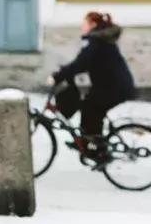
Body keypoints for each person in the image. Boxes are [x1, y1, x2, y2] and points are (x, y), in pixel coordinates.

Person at [48, 11, 137, 165]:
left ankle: (96, 149)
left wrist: (58, 77)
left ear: (93, 25)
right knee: (88, 105)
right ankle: (90, 145)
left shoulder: (95, 41)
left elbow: (80, 64)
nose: (82, 26)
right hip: (112, 86)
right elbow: (83, 66)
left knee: (90, 106)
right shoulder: (99, 40)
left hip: (115, 89)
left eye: (85, 23)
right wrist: (65, 75)